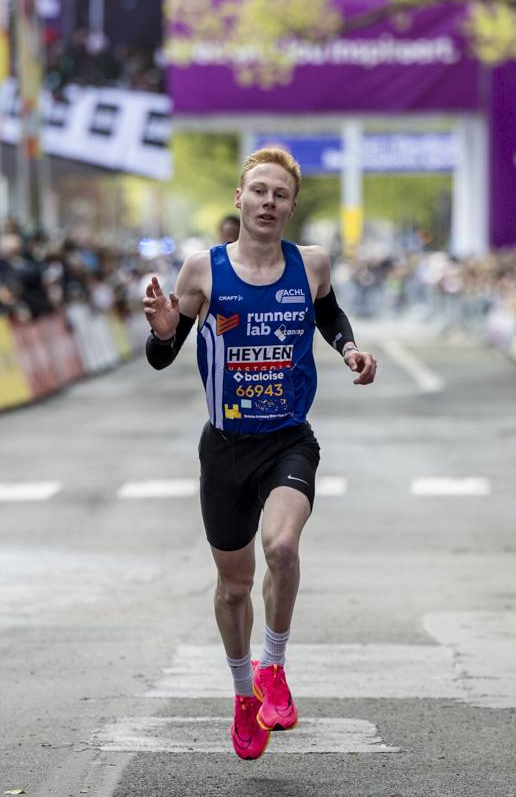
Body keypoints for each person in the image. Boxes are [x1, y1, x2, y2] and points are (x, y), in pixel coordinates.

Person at [140, 147, 378, 761]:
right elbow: (164, 356)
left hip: (287, 440)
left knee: (282, 547)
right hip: (224, 449)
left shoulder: (312, 264)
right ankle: (244, 693)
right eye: (259, 191)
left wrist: (350, 349)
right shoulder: (203, 270)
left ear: (291, 207)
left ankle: (274, 665)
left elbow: (329, 314)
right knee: (233, 586)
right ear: (240, 200)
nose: (268, 202)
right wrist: (163, 331)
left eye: (280, 194)